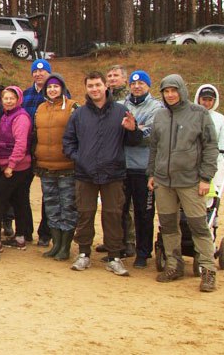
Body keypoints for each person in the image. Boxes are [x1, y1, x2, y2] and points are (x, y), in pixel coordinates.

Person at [63, 72, 141, 276]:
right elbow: (68, 142)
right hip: (85, 173)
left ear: (106, 86)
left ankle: (114, 256)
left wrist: (133, 130)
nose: (94, 89)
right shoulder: (79, 114)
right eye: (90, 86)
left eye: (98, 85)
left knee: (113, 215)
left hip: (113, 173)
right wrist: (79, 158)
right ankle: (83, 253)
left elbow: (133, 142)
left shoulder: (121, 111)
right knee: (85, 213)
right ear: (86, 89)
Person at [148, 74, 219, 291]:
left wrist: (206, 178)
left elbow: (210, 147)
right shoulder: (160, 116)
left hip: (190, 181)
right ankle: (174, 264)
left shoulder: (199, 114)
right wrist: (151, 174)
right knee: (168, 225)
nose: (170, 95)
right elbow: (154, 147)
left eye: (174, 90)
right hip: (164, 182)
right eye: (166, 91)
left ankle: (208, 270)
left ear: (182, 90)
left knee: (199, 226)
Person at [31, 74, 80, 261]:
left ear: (62, 88)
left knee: (68, 206)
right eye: (49, 87)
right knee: (51, 206)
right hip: (45, 166)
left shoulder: (73, 107)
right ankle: (56, 244)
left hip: (67, 166)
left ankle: (65, 246)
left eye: (56, 86)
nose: (52, 90)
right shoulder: (40, 108)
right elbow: (35, 134)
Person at [118, 71, 163, 268]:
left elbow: (151, 135)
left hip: (144, 168)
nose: (137, 87)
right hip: (122, 166)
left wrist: (133, 130)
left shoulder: (156, 107)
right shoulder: (121, 105)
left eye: (141, 83)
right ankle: (120, 247)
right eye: (133, 83)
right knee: (119, 210)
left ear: (148, 86)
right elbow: (116, 133)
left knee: (144, 213)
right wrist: (135, 129)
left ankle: (143, 252)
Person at [0, 86, 33, 250]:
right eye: (5, 98)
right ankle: (21, 237)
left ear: (18, 100)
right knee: (18, 200)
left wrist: (11, 165)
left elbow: (21, 144)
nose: (8, 101)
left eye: (12, 98)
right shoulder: (6, 115)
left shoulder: (20, 117)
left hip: (16, 167)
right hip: (11, 164)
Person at [195, 83, 224, 193]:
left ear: (215, 101)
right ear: (198, 98)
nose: (206, 103)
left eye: (210, 100)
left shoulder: (220, 118)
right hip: (193, 165)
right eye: (204, 99)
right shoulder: (190, 115)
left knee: (212, 199)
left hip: (215, 166)